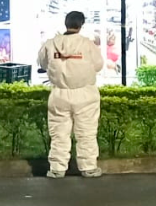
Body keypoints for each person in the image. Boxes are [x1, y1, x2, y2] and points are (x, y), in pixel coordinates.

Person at [37, 11, 105, 179]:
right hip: (85, 94)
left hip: (59, 94)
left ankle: (57, 168)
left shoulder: (50, 44)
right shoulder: (88, 45)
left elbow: (43, 63)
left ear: (65, 23)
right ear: (81, 25)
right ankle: (88, 167)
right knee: (86, 133)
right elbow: (98, 65)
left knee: (59, 132)